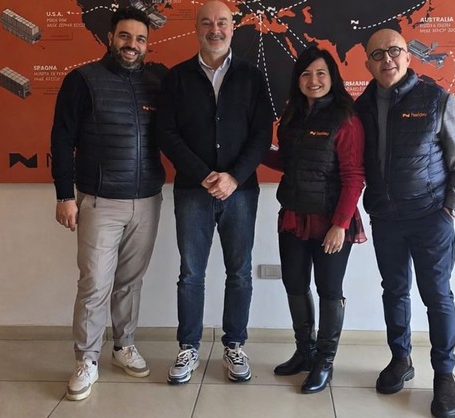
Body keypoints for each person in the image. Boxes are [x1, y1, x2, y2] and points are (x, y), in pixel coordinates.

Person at [355, 28, 455, 418]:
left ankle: (444, 375)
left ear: (408, 56)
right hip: (385, 219)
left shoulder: (437, 99)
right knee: (394, 291)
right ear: (368, 63)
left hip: (430, 218)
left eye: (394, 51)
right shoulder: (361, 106)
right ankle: (400, 359)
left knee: (437, 296)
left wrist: (450, 210)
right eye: (378, 54)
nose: (387, 59)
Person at [50, 7, 165, 401]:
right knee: (94, 284)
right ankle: (87, 359)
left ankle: (123, 346)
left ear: (147, 44)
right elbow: (61, 140)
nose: (132, 45)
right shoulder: (82, 80)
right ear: (111, 37)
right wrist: (65, 196)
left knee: (130, 282)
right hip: (99, 201)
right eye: (125, 36)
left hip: (147, 200)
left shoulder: (156, 83)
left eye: (140, 39)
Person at [157, 0, 273, 385]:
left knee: (239, 272)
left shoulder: (252, 77)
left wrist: (234, 177)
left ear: (232, 27)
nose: (215, 29)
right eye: (207, 23)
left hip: (241, 192)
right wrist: (204, 174)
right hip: (193, 190)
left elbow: (262, 135)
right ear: (196, 28)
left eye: (222, 22)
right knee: (191, 272)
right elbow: (167, 133)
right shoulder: (177, 78)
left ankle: (234, 345)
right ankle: (188, 347)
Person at [262, 46, 366, 394]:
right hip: (294, 215)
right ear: (298, 80)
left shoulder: (345, 118)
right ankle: (304, 352)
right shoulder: (292, 117)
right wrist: (254, 148)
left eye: (321, 73)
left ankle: (324, 361)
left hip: (331, 222)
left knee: (329, 290)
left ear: (332, 77)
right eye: (306, 74)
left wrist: (340, 224)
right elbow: (287, 162)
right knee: (294, 284)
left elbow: (354, 176)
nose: (313, 80)